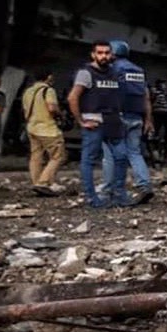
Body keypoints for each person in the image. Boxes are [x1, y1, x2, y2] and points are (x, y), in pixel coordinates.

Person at [67, 41, 131, 209]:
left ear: (112, 55)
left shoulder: (116, 73)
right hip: (94, 121)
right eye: (100, 52)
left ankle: (119, 194)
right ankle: (91, 197)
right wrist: (80, 121)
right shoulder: (86, 73)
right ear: (93, 54)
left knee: (121, 157)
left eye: (107, 52)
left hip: (114, 121)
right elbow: (73, 98)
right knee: (89, 160)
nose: (104, 56)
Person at [108, 40, 154, 204]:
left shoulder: (113, 69)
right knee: (135, 153)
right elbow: (146, 96)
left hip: (117, 117)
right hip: (137, 117)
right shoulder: (139, 71)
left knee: (112, 155)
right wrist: (148, 119)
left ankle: (112, 190)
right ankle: (144, 184)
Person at [20, 65, 65, 195]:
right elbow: (52, 107)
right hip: (47, 129)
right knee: (58, 156)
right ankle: (43, 182)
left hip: (32, 127)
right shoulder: (48, 90)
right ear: (49, 77)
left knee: (36, 156)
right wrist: (60, 114)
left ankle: (36, 182)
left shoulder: (28, 91)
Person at [149, 81, 167, 166]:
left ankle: (162, 139)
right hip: (158, 113)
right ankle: (157, 137)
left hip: (163, 113)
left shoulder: (163, 93)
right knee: (157, 129)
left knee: (165, 131)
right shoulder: (156, 92)